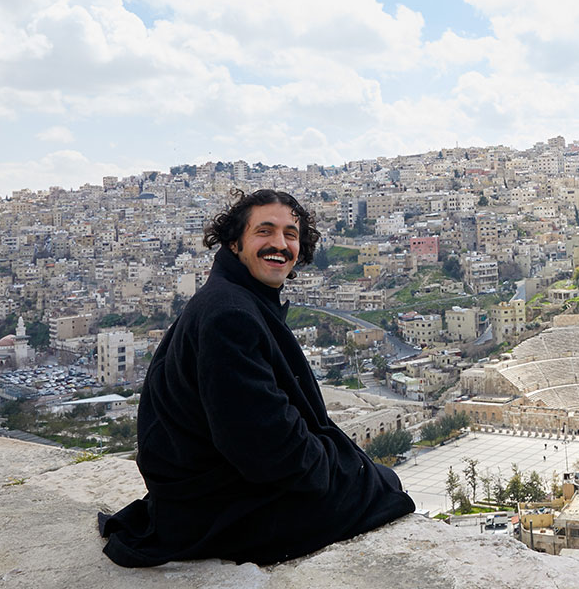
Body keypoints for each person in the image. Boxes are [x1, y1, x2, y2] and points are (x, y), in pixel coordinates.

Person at [99, 189, 414, 567]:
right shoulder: (229, 315)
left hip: (205, 491)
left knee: (372, 478)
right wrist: (337, 470)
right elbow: (266, 446)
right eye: (265, 231)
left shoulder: (234, 297)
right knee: (383, 488)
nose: (279, 244)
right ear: (234, 242)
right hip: (216, 509)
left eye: (290, 235)